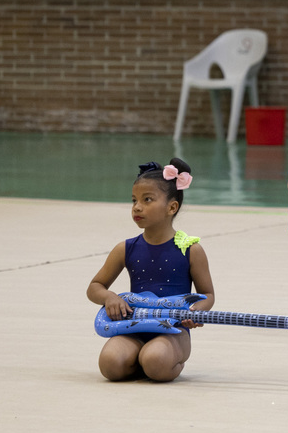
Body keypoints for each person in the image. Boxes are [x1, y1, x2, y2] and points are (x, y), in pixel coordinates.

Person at [87, 158, 215, 381]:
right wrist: (109, 297)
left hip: (173, 331)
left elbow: (208, 294)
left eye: (147, 200)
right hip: (133, 328)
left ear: (171, 207)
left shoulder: (191, 250)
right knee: (110, 365)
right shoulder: (125, 249)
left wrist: (196, 311)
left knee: (155, 361)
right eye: (134, 200)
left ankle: (164, 362)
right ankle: (139, 361)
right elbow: (94, 287)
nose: (137, 206)